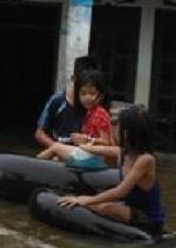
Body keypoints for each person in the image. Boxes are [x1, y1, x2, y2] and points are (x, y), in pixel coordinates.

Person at [58, 107, 166, 237]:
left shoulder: (146, 160)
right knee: (100, 203)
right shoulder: (124, 152)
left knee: (106, 207)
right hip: (130, 207)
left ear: (125, 133)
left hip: (148, 217)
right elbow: (100, 149)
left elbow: (120, 191)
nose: (114, 129)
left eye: (117, 127)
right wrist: (82, 145)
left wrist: (87, 200)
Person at [36, 69, 112, 166]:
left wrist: (87, 139)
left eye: (92, 93)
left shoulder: (100, 114)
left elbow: (106, 142)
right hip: (87, 152)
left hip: (93, 155)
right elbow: (39, 133)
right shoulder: (90, 112)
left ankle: (31, 168)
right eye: (83, 94)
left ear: (101, 95)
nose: (87, 98)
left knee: (56, 148)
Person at [35, 55, 100, 148]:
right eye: (83, 88)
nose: (88, 97)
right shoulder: (58, 100)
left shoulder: (97, 109)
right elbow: (39, 134)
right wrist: (58, 149)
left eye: (92, 91)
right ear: (74, 79)